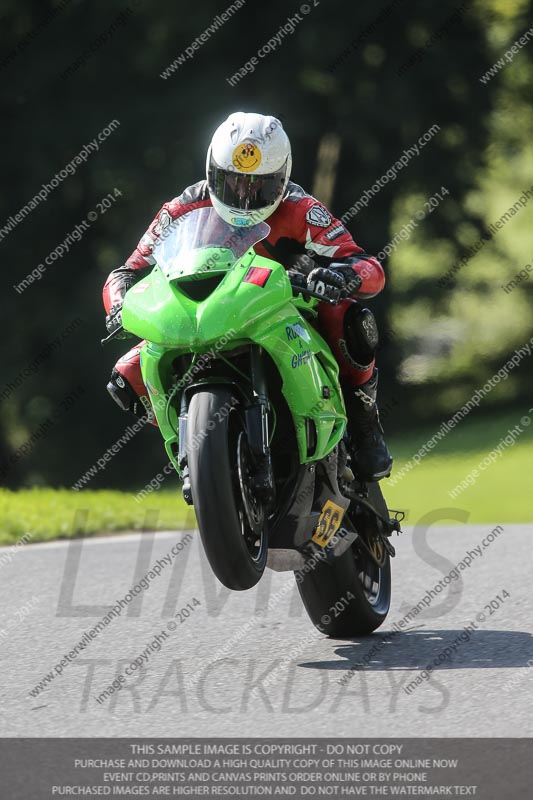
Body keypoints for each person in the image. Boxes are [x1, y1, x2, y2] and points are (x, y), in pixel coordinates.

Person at [103, 112, 392, 481]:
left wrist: (342, 277)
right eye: (232, 182)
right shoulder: (182, 207)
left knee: (349, 320)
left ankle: (366, 426)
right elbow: (128, 271)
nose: (244, 195)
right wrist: (118, 303)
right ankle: (191, 444)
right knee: (126, 374)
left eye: (260, 187)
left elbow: (366, 264)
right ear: (212, 171)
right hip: (204, 312)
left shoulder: (301, 208)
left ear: (282, 179)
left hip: (282, 307)